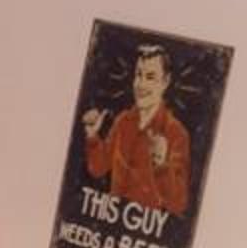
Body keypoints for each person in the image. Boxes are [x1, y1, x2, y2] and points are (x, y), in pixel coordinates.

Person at [79, 43, 194, 214]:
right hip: (110, 221)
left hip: (143, 228)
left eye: (150, 77)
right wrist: (92, 136)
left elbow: (177, 204)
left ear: (165, 82)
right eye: (138, 74)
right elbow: (98, 168)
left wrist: (161, 165)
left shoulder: (176, 133)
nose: (141, 84)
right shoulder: (123, 121)